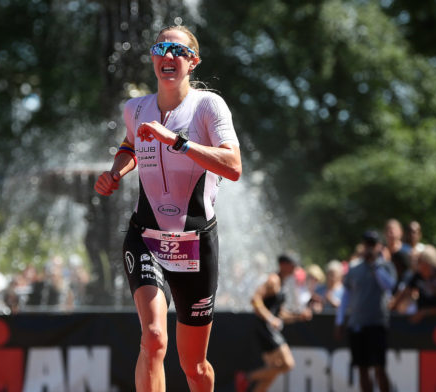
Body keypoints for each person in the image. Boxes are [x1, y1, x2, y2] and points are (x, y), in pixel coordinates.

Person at [94, 24, 242, 392]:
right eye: (162, 48)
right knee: (154, 338)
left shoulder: (209, 106)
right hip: (145, 237)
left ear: (193, 62)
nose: (169, 56)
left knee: (194, 366)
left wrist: (177, 142)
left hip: (195, 244)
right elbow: (130, 145)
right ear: (153, 58)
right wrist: (115, 172)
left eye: (179, 51)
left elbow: (234, 166)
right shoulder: (136, 108)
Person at [235, 254, 311, 392]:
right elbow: (255, 299)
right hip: (264, 329)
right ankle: (246, 377)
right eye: (292, 265)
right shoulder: (273, 280)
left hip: (268, 329)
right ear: (283, 265)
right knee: (287, 364)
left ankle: (249, 380)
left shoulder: (282, 282)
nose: (295, 268)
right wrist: (270, 319)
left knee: (271, 374)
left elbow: (280, 314)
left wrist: (299, 316)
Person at [335, 231, 396, 392]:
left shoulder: (385, 266)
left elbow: (389, 286)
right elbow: (345, 297)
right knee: (362, 368)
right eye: (367, 244)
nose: (369, 248)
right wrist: (340, 321)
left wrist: (374, 266)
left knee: (379, 368)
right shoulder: (354, 269)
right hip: (357, 324)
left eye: (373, 244)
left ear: (379, 246)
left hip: (377, 324)